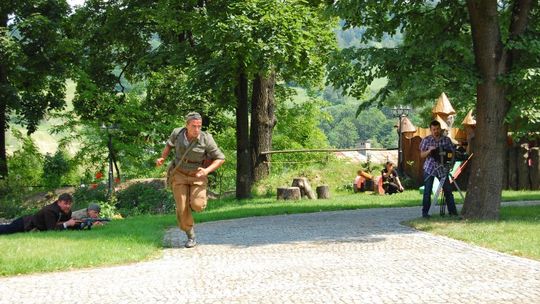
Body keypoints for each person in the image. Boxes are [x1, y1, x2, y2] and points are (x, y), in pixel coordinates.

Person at [156, 112, 225, 248]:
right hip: (179, 173)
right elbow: (169, 146)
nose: (197, 129)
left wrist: (206, 171)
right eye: (194, 126)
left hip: (197, 175)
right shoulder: (177, 133)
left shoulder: (206, 139)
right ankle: (190, 235)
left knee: (198, 205)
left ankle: (193, 201)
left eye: (199, 126)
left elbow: (220, 158)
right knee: (181, 208)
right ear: (187, 125)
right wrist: (162, 157)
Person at [419, 120, 458, 218]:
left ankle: (453, 212)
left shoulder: (446, 140)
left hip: (443, 169)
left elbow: (452, 154)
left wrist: (451, 165)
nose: (436, 131)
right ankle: (425, 214)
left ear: (440, 129)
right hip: (430, 169)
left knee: (448, 191)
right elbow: (422, 155)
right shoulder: (426, 140)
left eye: (437, 129)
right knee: (427, 192)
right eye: (434, 129)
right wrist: (429, 150)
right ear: (430, 130)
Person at [0, 193, 79, 235]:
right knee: (7, 230)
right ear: (59, 202)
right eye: (65, 203)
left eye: (70, 203)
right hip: (25, 224)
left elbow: (64, 224)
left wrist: (80, 224)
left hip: (30, 225)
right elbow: (51, 230)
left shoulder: (67, 211)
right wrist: (67, 224)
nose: (68, 206)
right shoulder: (50, 210)